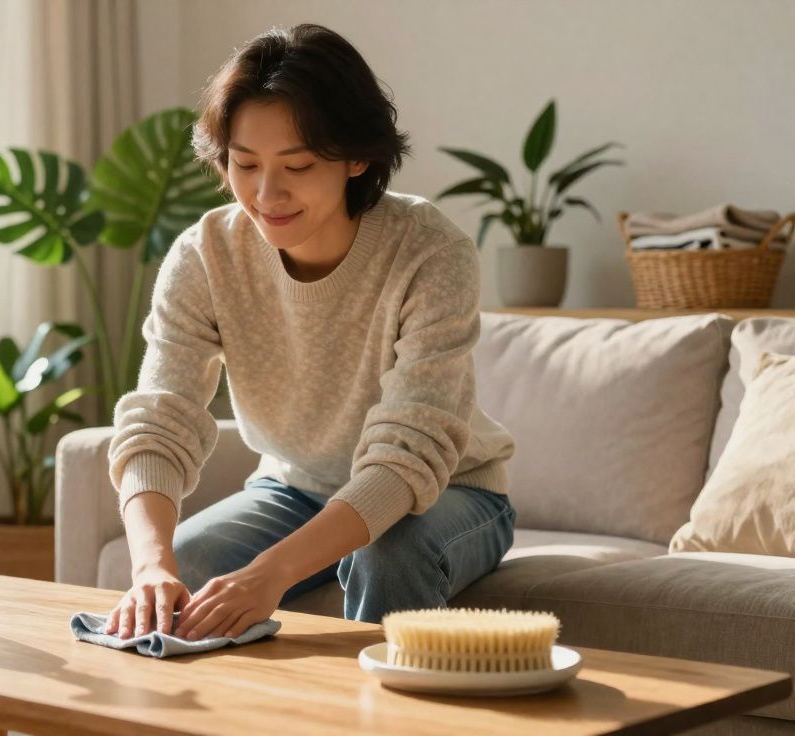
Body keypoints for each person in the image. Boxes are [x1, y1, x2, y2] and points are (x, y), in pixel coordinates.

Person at [104, 23, 517, 642]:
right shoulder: (205, 255)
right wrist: (150, 567)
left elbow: (408, 456)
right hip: (294, 488)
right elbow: (160, 421)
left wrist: (269, 574)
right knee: (187, 564)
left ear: (357, 157)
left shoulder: (431, 252)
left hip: (447, 493)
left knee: (386, 552)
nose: (266, 194)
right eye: (245, 164)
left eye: (297, 165)